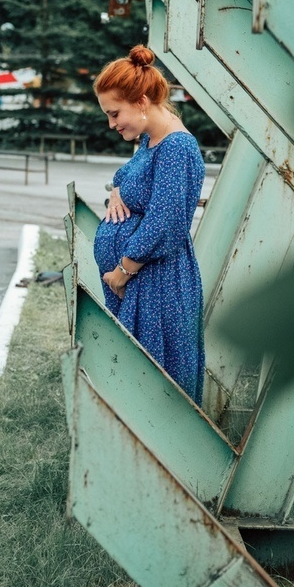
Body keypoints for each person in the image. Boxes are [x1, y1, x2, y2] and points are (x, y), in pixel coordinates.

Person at [92, 45, 206, 405]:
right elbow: (127, 176)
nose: (112, 124)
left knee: (156, 385)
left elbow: (166, 223)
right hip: (142, 280)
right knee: (136, 378)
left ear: (141, 101)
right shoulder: (149, 139)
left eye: (115, 113)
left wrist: (122, 271)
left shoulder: (177, 148)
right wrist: (117, 191)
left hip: (157, 283)